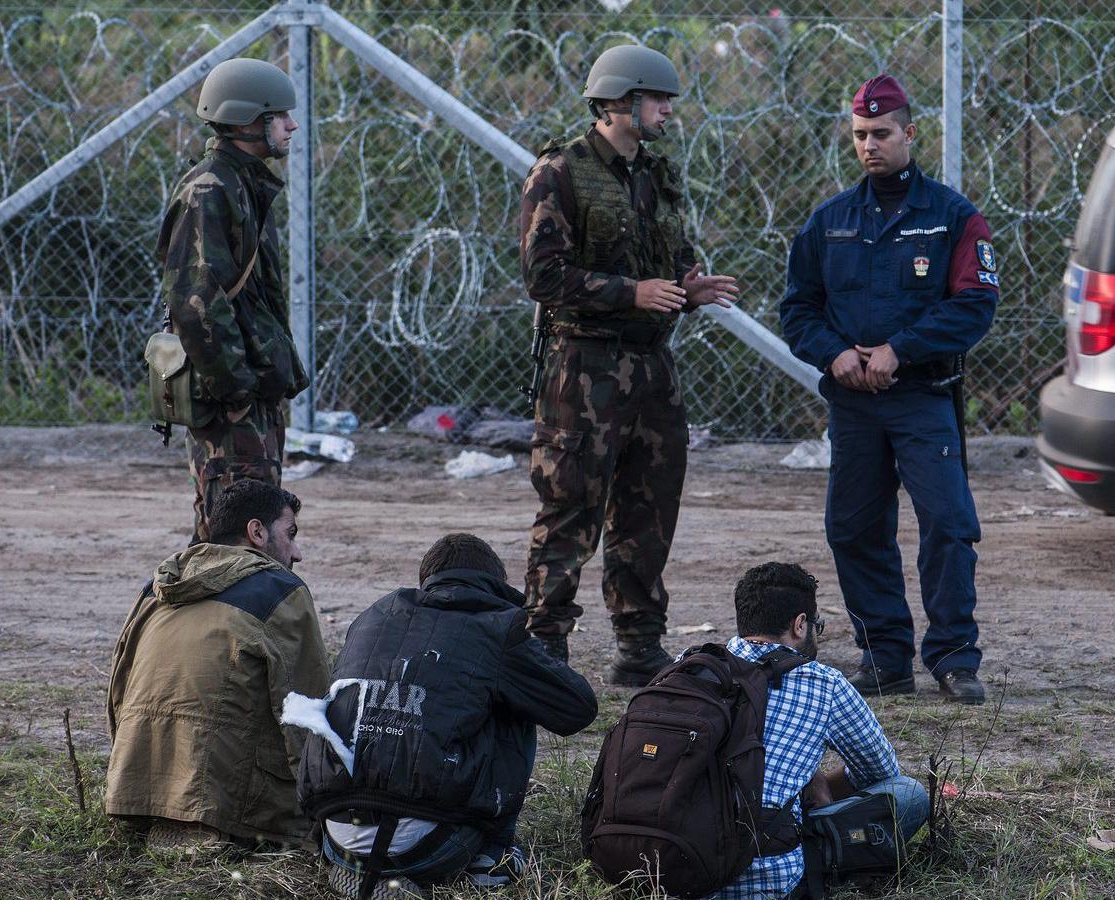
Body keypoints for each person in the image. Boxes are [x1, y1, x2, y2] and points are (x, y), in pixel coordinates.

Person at [518, 44, 740, 685]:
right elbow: (543, 274)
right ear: (621, 101)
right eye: (658, 99)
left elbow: (669, 261)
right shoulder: (559, 173)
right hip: (584, 370)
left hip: (651, 367)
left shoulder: (655, 175)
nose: (669, 111)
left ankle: (639, 644)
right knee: (570, 509)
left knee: (649, 512)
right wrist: (630, 292)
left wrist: (685, 288)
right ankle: (545, 648)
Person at [779, 74, 999, 704]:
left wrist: (902, 350)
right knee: (853, 529)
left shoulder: (953, 219)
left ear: (910, 134)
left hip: (922, 399)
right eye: (860, 135)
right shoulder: (830, 223)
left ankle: (955, 658)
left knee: (949, 526)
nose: (870, 145)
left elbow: (975, 305)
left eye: (881, 133)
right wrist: (835, 354)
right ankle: (885, 659)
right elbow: (799, 310)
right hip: (854, 407)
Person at [289, 533, 598, 899]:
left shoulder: (372, 618)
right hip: (431, 847)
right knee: (517, 696)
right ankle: (490, 859)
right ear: (495, 585)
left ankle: (360, 873)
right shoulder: (496, 628)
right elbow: (578, 708)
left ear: (429, 580)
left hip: (336, 836)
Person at [106, 479, 328, 848]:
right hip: (222, 806)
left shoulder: (158, 586)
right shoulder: (281, 589)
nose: (297, 553)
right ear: (256, 532)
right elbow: (308, 713)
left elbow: (119, 688)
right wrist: (323, 812)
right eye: (290, 533)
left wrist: (124, 772)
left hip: (134, 790)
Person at [160, 57, 309, 543]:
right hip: (231, 406)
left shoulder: (241, 184)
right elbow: (194, 300)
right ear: (248, 121)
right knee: (233, 538)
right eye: (280, 116)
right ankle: (209, 620)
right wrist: (237, 390)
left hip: (247, 397)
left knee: (252, 527)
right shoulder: (212, 189)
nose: (291, 125)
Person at [717, 562, 928, 899]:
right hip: (764, 874)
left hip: (665, 859)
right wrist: (810, 778)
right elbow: (880, 773)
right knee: (909, 793)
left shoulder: (690, 665)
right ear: (800, 625)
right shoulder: (823, 682)